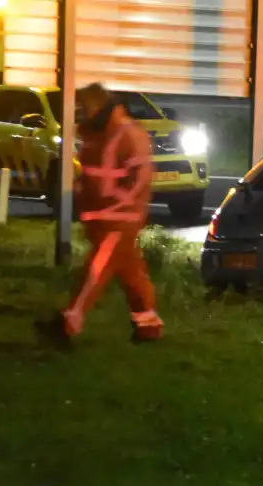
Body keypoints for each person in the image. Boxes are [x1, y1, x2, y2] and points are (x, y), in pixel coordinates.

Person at [35, 82, 163, 347]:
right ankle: (148, 326)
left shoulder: (128, 133)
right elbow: (90, 175)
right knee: (132, 274)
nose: (80, 111)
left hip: (119, 219)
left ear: (99, 105)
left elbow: (141, 179)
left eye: (84, 106)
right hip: (103, 218)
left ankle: (69, 323)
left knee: (96, 270)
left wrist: (119, 208)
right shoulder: (94, 134)